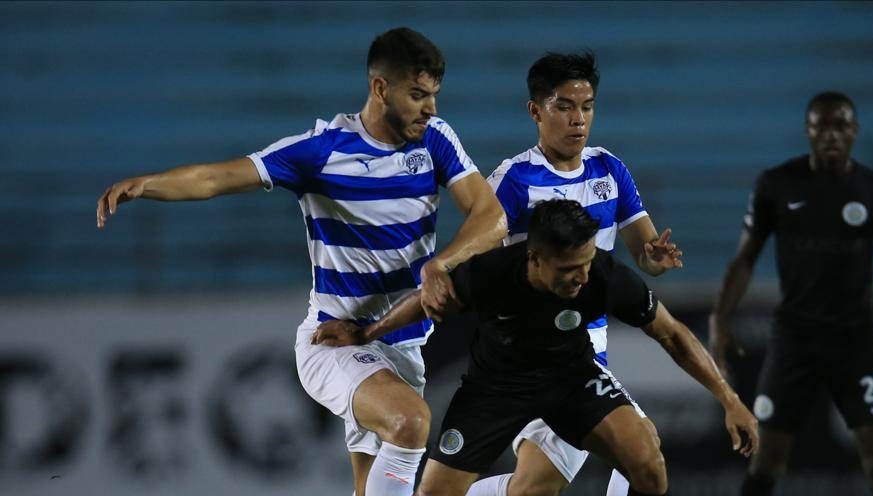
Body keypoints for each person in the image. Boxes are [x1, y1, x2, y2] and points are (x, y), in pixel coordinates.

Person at [95, 27, 507, 496]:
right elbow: (215, 178)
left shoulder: (434, 141)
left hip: (402, 345)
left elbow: (490, 214)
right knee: (411, 423)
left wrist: (440, 264)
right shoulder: (321, 151)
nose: (430, 108)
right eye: (417, 95)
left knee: (370, 485)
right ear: (380, 88)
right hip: (334, 343)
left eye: (433, 95)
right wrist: (147, 184)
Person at [314, 199, 759, 496]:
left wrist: (730, 399)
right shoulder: (492, 272)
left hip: (572, 379)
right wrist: (367, 333)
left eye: (585, 264)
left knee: (648, 466)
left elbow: (673, 333)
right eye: (568, 269)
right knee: (433, 494)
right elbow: (426, 303)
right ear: (534, 259)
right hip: (495, 388)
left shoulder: (603, 274)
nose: (581, 277)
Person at [473, 51, 684, 496]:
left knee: (637, 454)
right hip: (534, 352)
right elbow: (479, 263)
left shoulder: (609, 169)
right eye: (564, 106)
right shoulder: (513, 181)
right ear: (535, 111)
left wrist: (655, 260)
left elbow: (642, 253)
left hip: (589, 348)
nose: (578, 119)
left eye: (586, 107)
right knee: (634, 454)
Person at [707, 91, 873, 496]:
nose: (831, 135)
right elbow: (744, 260)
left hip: (856, 340)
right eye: (822, 127)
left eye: (841, 126)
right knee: (764, 463)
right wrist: (719, 318)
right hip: (794, 340)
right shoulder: (776, 185)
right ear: (808, 132)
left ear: (855, 131)